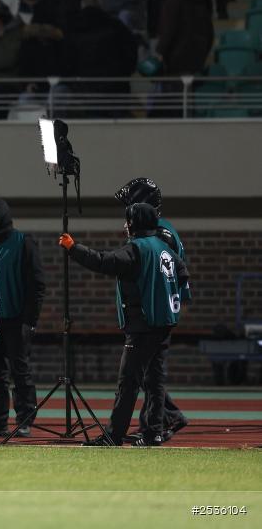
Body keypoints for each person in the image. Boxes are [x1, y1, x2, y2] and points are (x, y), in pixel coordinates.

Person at [60, 203, 189, 446]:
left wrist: (73, 248)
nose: (124, 225)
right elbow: (182, 275)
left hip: (142, 327)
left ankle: (114, 435)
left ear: (135, 223)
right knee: (155, 381)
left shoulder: (137, 249)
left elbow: (103, 261)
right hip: (163, 324)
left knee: (128, 383)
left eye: (127, 221)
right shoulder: (165, 248)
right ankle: (153, 433)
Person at [114, 178, 191, 443]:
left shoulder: (159, 234)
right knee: (148, 372)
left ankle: (154, 426)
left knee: (148, 373)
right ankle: (163, 419)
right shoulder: (161, 230)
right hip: (157, 312)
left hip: (154, 315)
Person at [0, 199, 44, 437]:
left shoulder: (23, 243)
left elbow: (37, 285)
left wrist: (30, 321)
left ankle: (25, 419)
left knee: (20, 371)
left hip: (17, 319)